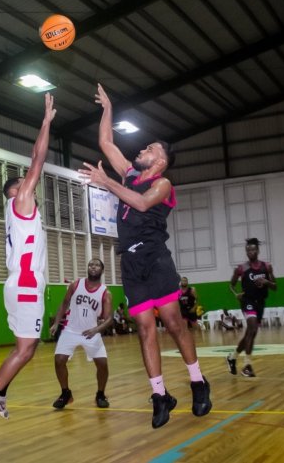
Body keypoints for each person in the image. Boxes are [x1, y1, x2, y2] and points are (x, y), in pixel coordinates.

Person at [78, 84, 211, 429]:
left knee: (173, 323)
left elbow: (139, 203)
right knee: (144, 329)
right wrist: (108, 108)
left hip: (155, 258)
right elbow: (106, 143)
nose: (142, 148)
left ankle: (198, 381)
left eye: (149, 147)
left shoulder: (163, 184)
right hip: (131, 263)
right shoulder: (129, 175)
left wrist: (105, 182)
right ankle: (159, 395)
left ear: (161, 160)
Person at [0, 92, 55, 436]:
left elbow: (34, 160)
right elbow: (38, 159)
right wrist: (47, 121)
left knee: (29, 349)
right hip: (24, 284)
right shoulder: (21, 200)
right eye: (24, 181)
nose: (29, 180)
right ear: (16, 189)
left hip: (24, 283)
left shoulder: (19, 209)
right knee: (25, 349)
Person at [49, 258, 113, 409]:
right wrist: (56, 322)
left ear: (102, 270)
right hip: (71, 330)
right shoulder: (76, 285)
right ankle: (65, 393)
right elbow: (64, 303)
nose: (93, 267)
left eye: (97, 265)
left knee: (102, 365)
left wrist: (96, 330)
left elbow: (109, 319)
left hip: (91, 332)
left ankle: (100, 394)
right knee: (59, 360)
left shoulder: (105, 292)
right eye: (91, 264)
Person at [226, 238, 277, 377]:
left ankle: (232, 357)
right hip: (247, 301)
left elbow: (275, 287)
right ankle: (247, 366)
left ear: (258, 250)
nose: (251, 252)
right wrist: (236, 294)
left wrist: (266, 281)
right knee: (252, 328)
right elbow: (231, 284)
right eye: (248, 250)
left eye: (253, 249)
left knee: (251, 333)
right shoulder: (241, 269)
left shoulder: (266, 267)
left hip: (260, 302)